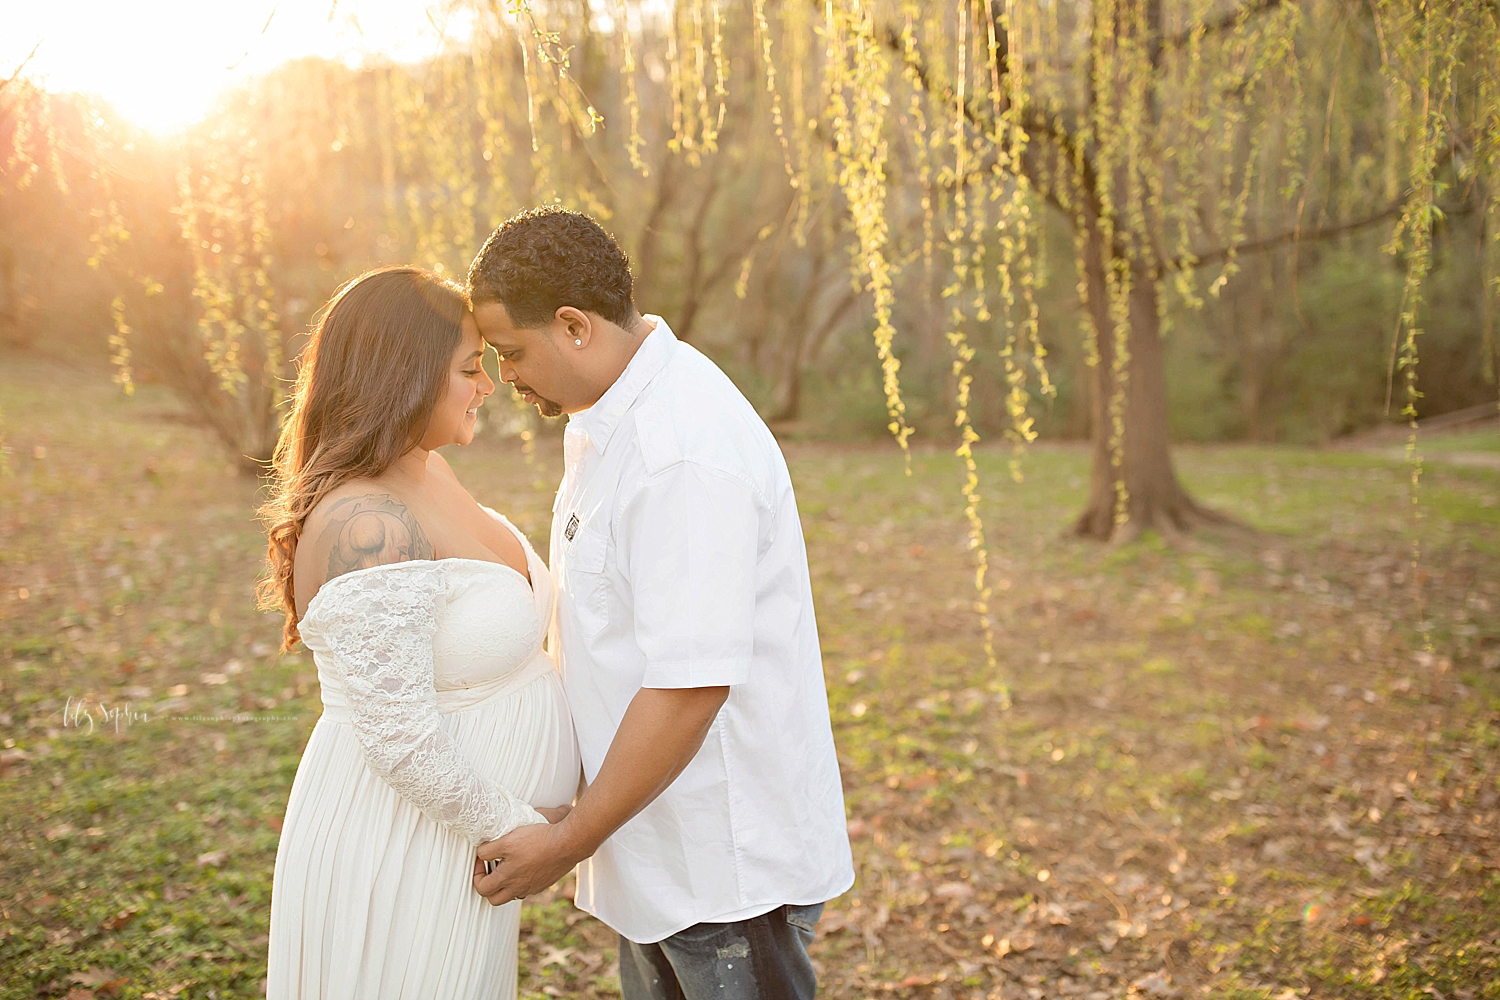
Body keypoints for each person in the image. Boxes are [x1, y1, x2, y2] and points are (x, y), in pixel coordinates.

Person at [467, 207, 855, 1000]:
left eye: (512, 351)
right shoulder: (611, 416)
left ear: (574, 326)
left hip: (721, 867)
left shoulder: (680, 451)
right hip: (654, 850)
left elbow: (689, 686)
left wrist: (566, 840)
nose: (505, 376)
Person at [259, 266, 580, 1000]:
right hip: (399, 847)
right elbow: (399, 736)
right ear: (402, 377)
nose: (488, 386)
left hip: (454, 847)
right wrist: (531, 831)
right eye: (470, 369)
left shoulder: (424, 471)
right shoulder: (366, 524)